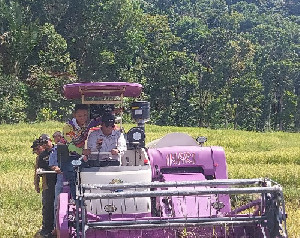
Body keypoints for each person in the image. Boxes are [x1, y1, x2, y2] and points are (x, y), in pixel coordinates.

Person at [62, 104, 100, 199]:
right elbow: (70, 146)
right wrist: (82, 151)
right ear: (74, 115)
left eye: (85, 115)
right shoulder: (69, 127)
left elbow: (99, 121)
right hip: (69, 155)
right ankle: (76, 199)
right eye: (80, 116)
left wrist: (113, 112)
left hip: (80, 156)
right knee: (73, 175)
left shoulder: (87, 124)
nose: (83, 118)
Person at [36, 134, 56, 238]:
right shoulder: (42, 156)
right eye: (42, 143)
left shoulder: (58, 150)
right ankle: (47, 229)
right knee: (48, 206)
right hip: (48, 182)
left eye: (46, 142)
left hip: (60, 181)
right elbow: (39, 169)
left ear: (50, 140)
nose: (45, 145)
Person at [49, 131, 65, 230]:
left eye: (59, 137)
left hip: (73, 179)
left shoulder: (71, 148)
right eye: (56, 138)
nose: (58, 140)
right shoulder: (54, 151)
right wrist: (55, 168)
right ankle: (57, 228)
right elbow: (52, 164)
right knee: (57, 204)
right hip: (60, 181)